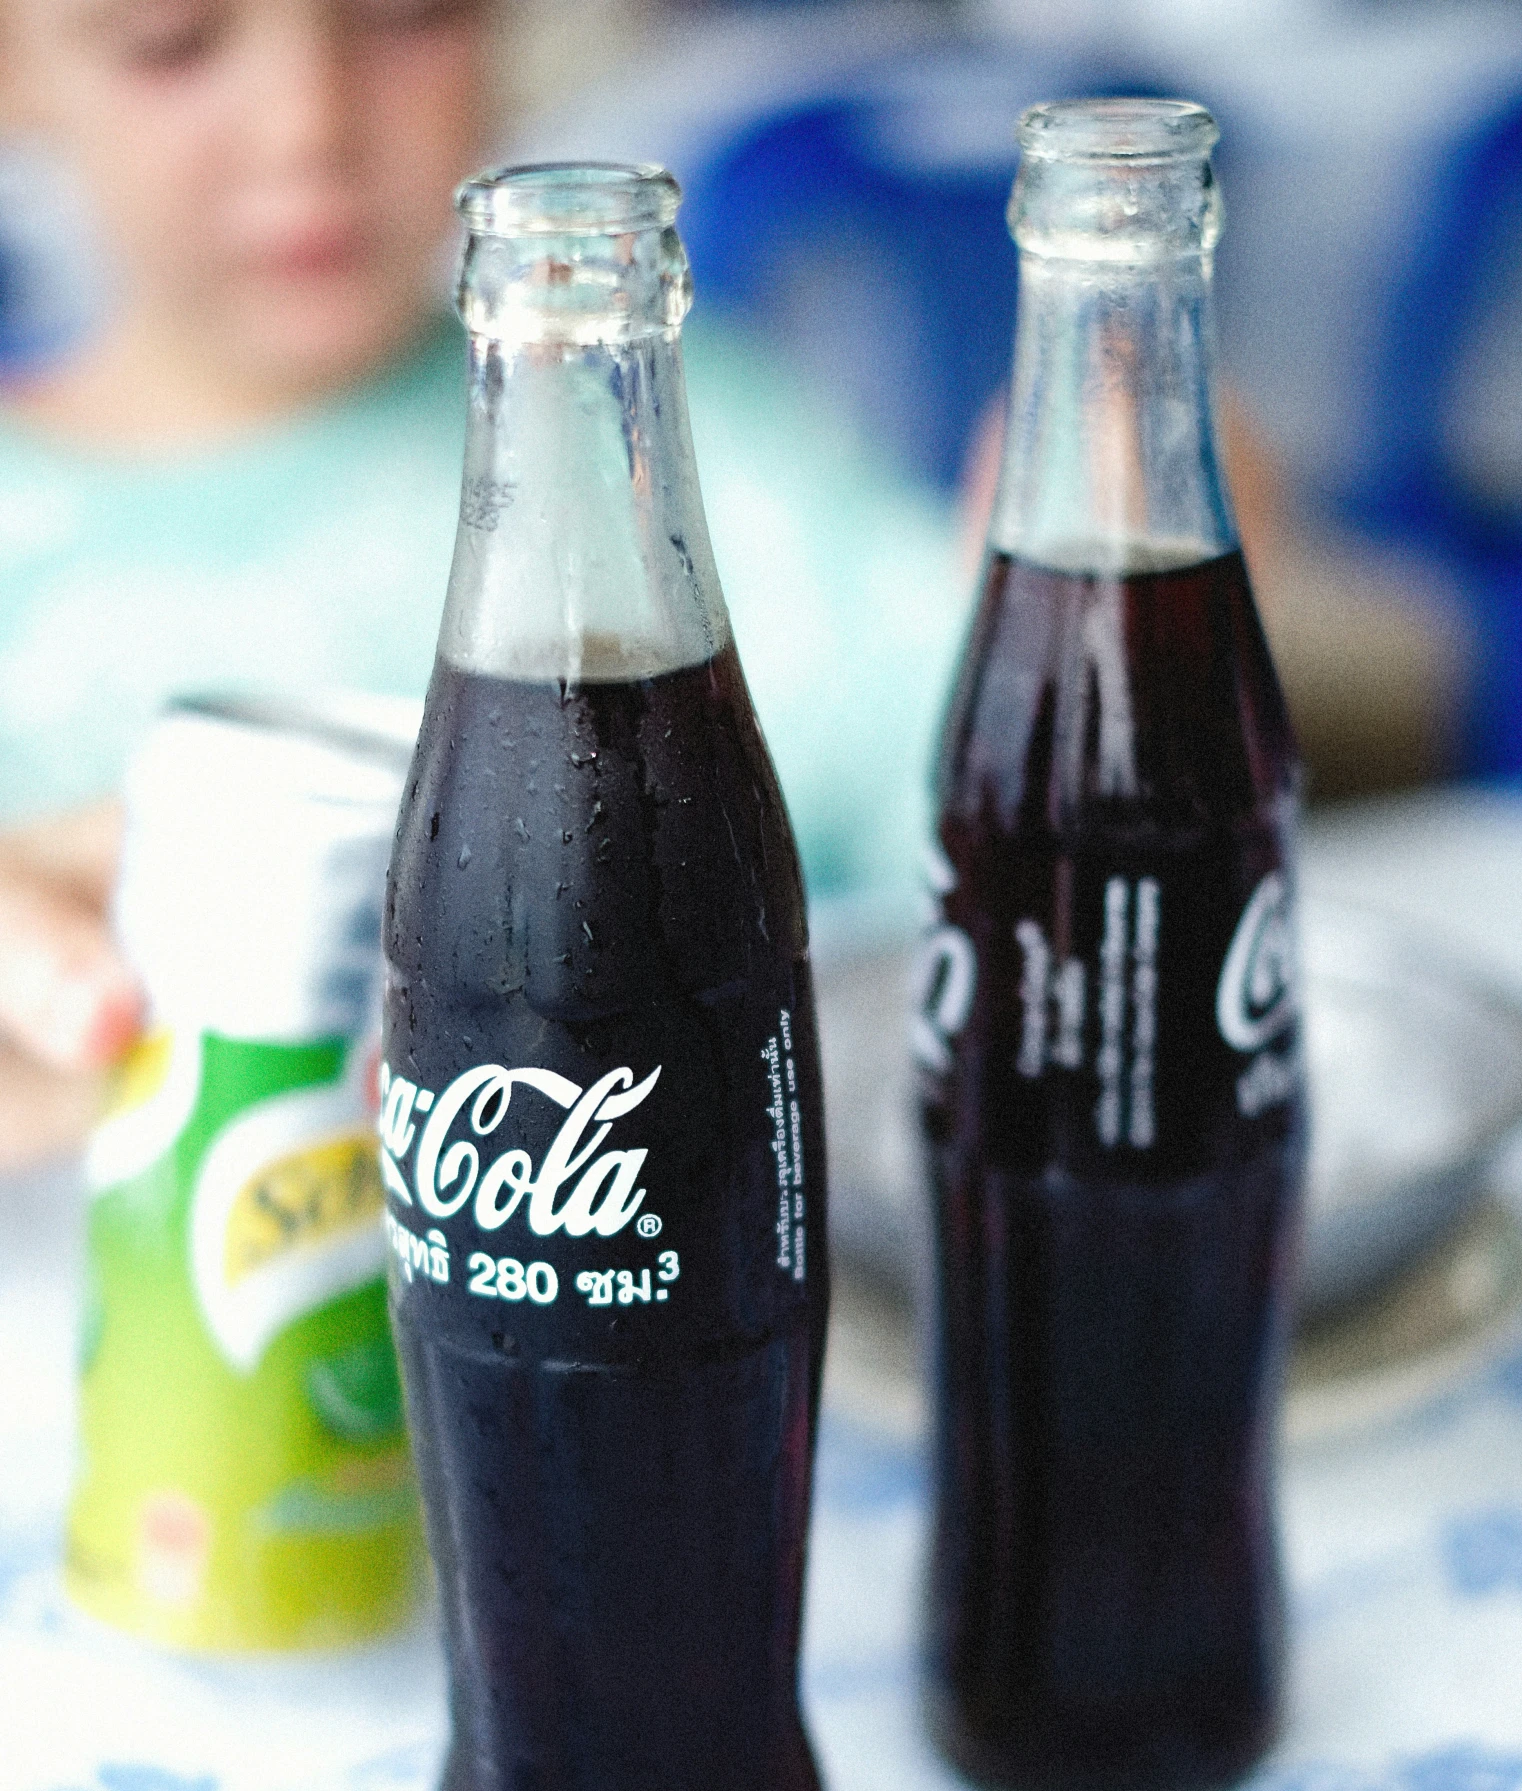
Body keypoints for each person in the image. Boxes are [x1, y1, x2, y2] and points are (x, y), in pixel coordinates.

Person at [0, 0, 965, 1168]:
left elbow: (997, 814)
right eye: (172, 42)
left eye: (410, 17)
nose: (310, 126)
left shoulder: (663, 433)